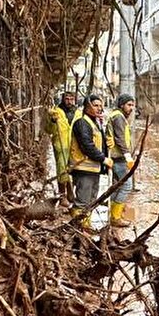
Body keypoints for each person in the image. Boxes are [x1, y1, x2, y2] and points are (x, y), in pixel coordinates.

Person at [69, 94, 112, 228]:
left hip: (93, 168)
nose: (99, 108)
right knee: (83, 200)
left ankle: (85, 225)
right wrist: (103, 159)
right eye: (95, 105)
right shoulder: (82, 123)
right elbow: (87, 145)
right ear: (87, 106)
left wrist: (106, 143)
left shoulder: (94, 122)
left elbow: (96, 142)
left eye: (101, 105)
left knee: (91, 199)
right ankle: (78, 228)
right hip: (83, 168)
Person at [106, 93, 137, 228]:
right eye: (129, 105)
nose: (131, 108)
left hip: (117, 157)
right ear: (122, 105)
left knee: (117, 186)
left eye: (132, 105)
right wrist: (128, 156)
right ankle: (115, 217)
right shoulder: (118, 117)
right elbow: (120, 139)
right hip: (118, 158)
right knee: (126, 186)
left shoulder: (117, 116)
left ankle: (113, 212)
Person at [46, 93, 74, 201]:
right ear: (63, 99)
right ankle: (62, 196)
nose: (69, 101)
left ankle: (71, 192)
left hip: (73, 146)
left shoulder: (77, 112)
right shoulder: (55, 112)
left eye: (71, 99)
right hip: (60, 145)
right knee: (62, 170)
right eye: (67, 99)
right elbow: (48, 130)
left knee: (73, 170)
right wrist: (53, 121)